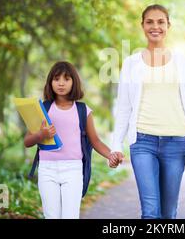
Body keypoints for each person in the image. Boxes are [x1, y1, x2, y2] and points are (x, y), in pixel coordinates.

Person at [110, 4, 185, 219]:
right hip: (143, 142)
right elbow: (124, 107)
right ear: (142, 26)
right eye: (150, 22)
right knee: (151, 212)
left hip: (176, 142)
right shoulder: (132, 64)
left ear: (168, 25)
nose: (155, 26)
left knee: (169, 213)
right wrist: (116, 145)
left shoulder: (182, 62)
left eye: (161, 22)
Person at [23, 61, 119, 219]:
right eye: (56, 79)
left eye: (66, 79)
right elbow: (27, 142)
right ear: (50, 82)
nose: (61, 83)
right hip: (47, 170)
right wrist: (41, 135)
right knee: (51, 216)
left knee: (70, 216)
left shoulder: (82, 110)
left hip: (73, 170)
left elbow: (95, 141)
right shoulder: (43, 108)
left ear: (74, 82)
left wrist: (111, 155)